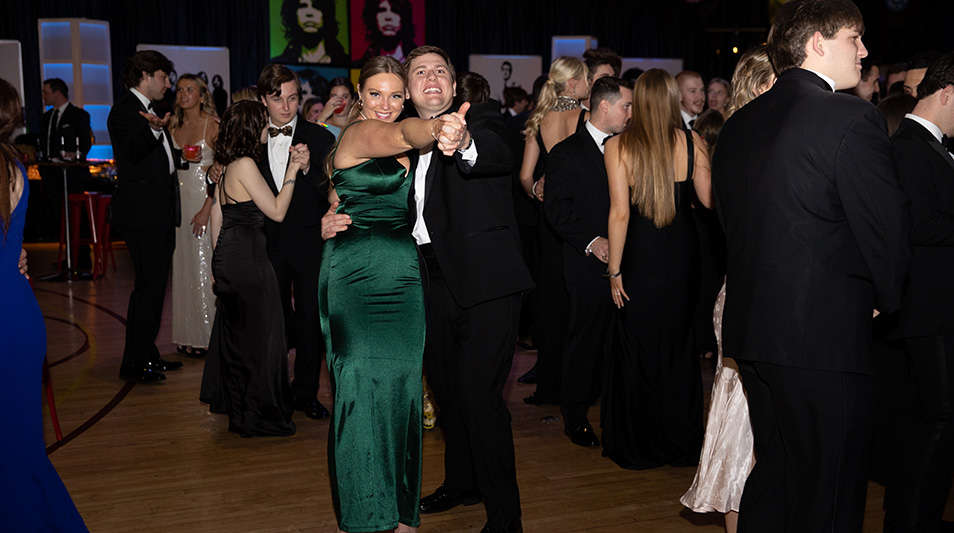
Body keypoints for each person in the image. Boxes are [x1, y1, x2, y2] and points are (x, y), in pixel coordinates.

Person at [712, 1, 911, 530]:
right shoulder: (851, 117)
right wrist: (884, 297)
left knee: (776, 475)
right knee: (831, 488)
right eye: (855, 37)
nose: (865, 51)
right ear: (818, 43)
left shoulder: (739, 123)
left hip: (753, 335)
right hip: (822, 339)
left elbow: (733, 228)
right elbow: (884, 229)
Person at [323, 45, 533, 533]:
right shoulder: (399, 144)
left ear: (455, 87)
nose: (432, 78)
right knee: (449, 395)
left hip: (485, 284)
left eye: (441, 71)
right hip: (421, 282)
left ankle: (506, 518)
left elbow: (496, 153)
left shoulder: (479, 117)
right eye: (420, 72)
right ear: (409, 91)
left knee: (482, 399)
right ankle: (462, 482)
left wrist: (458, 140)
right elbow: (350, 185)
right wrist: (331, 216)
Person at [319, 54, 466, 533]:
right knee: (359, 388)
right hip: (356, 274)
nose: (386, 104)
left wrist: (330, 211)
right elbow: (405, 134)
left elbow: (339, 194)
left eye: (395, 94)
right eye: (376, 93)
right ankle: (362, 513)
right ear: (359, 95)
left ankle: (400, 509)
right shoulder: (363, 132)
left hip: (403, 273)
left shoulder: (398, 138)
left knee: (402, 391)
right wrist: (441, 128)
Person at [680, 43, 775, 533]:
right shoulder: (753, 137)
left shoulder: (734, 134)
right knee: (745, 428)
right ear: (762, 85)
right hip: (752, 294)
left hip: (741, 289)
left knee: (745, 424)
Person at [603, 68, 712, 470]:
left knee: (638, 347)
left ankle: (640, 445)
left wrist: (614, 272)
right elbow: (709, 201)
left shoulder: (617, 147)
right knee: (680, 348)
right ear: (670, 99)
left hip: (639, 258)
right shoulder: (692, 142)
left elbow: (619, 213)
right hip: (683, 257)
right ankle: (681, 444)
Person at [0, 77, 89, 533]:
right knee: (19, 449)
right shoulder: (13, 166)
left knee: (12, 453)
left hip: (6, 318)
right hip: (18, 315)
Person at [200, 100, 306, 438]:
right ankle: (258, 416)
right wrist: (292, 171)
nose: (267, 126)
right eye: (263, 121)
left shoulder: (230, 162)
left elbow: (217, 212)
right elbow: (276, 212)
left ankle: (242, 409)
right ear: (251, 127)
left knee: (240, 338)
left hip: (232, 255)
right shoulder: (244, 163)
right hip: (248, 258)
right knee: (262, 339)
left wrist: (217, 260)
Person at [883, 51, 954, 533]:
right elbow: (919, 225)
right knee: (941, 417)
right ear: (948, 93)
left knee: (929, 418)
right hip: (929, 309)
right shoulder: (908, 145)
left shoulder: (933, 145)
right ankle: (912, 521)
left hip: (938, 306)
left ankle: (912, 517)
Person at [543, 76, 633, 448]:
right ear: (605, 106)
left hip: (628, 265)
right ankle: (575, 416)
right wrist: (592, 241)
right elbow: (557, 208)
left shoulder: (631, 148)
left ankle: (621, 416)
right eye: (626, 106)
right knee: (585, 343)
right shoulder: (567, 152)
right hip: (586, 266)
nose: (631, 113)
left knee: (622, 346)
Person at [245, 64, 335, 420]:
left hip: (311, 241)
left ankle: (306, 392)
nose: (285, 106)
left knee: (311, 321)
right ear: (262, 99)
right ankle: (274, 390)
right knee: (274, 321)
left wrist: (311, 168)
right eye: (277, 98)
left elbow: (333, 192)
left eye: (293, 97)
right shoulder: (251, 137)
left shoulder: (321, 137)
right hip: (266, 241)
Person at [108, 50, 184, 382]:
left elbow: (159, 163)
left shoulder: (155, 111)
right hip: (142, 214)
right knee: (148, 288)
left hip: (158, 211)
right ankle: (134, 363)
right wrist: (154, 130)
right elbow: (134, 151)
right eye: (164, 77)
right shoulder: (124, 111)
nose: (169, 84)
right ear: (144, 76)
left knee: (153, 287)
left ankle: (147, 354)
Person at [519, 56, 590, 407]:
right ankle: (580, 387)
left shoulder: (539, 119)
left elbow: (524, 176)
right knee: (581, 303)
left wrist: (537, 192)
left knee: (551, 302)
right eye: (587, 78)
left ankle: (549, 385)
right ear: (574, 83)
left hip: (550, 219)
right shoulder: (586, 118)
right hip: (580, 218)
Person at [168, 74, 219, 358]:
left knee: (204, 263)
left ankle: (208, 335)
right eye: (179, 89)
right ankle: (186, 334)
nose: (183, 94)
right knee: (184, 264)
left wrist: (207, 206)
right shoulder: (173, 126)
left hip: (203, 200)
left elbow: (223, 164)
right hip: (179, 203)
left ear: (202, 95)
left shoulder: (213, 124)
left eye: (190, 89)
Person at [39, 77, 93, 268]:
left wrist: (74, 155)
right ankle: (69, 258)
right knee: (61, 218)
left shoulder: (79, 115)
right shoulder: (46, 118)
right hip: (52, 177)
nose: (43, 96)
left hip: (73, 177)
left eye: (46, 92)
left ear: (57, 93)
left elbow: (85, 143)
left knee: (78, 219)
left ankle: (83, 259)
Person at [272, 0, 349, 64]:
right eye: (303, 6)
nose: (309, 13)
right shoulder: (279, 62)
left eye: (317, 6)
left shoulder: (344, 61)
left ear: (327, 13)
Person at [357, 0, 416, 64]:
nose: (388, 17)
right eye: (382, 10)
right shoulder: (362, 64)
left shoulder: (418, 61)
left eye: (395, 11)